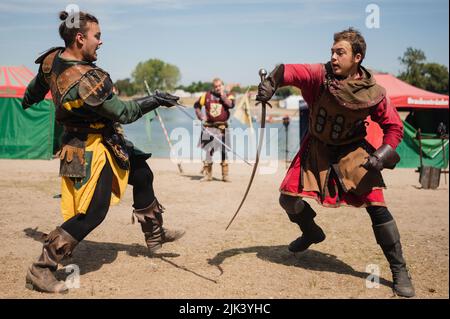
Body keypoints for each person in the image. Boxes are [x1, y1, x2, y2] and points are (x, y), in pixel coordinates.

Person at [22, 10, 185, 293]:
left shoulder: (52, 60)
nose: (101, 42)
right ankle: (42, 268)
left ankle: (154, 235)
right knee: (93, 213)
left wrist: (37, 101)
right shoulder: (87, 79)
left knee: (143, 174)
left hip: (94, 141)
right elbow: (124, 112)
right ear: (80, 37)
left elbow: (33, 92)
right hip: (90, 149)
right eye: (97, 36)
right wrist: (155, 99)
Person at [256, 28, 415, 297]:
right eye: (332, 51)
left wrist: (382, 154)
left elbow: (394, 127)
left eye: (340, 52)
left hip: (353, 152)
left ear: (357, 57)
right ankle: (311, 232)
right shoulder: (319, 75)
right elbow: (287, 71)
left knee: (377, 208)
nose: (333, 57)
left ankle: (399, 270)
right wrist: (271, 83)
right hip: (316, 147)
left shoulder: (373, 92)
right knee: (288, 200)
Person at [194, 78, 235, 182]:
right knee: (208, 151)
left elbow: (231, 105)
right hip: (209, 127)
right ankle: (208, 175)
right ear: (213, 86)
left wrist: (223, 95)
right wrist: (200, 115)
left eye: (219, 86)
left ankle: (225, 176)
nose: (217, 88)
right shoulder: (206, 95)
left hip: (222, 127)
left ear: (223, 85)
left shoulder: (229, 94)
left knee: (223, 151)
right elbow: (196, 105)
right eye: (216, 86)